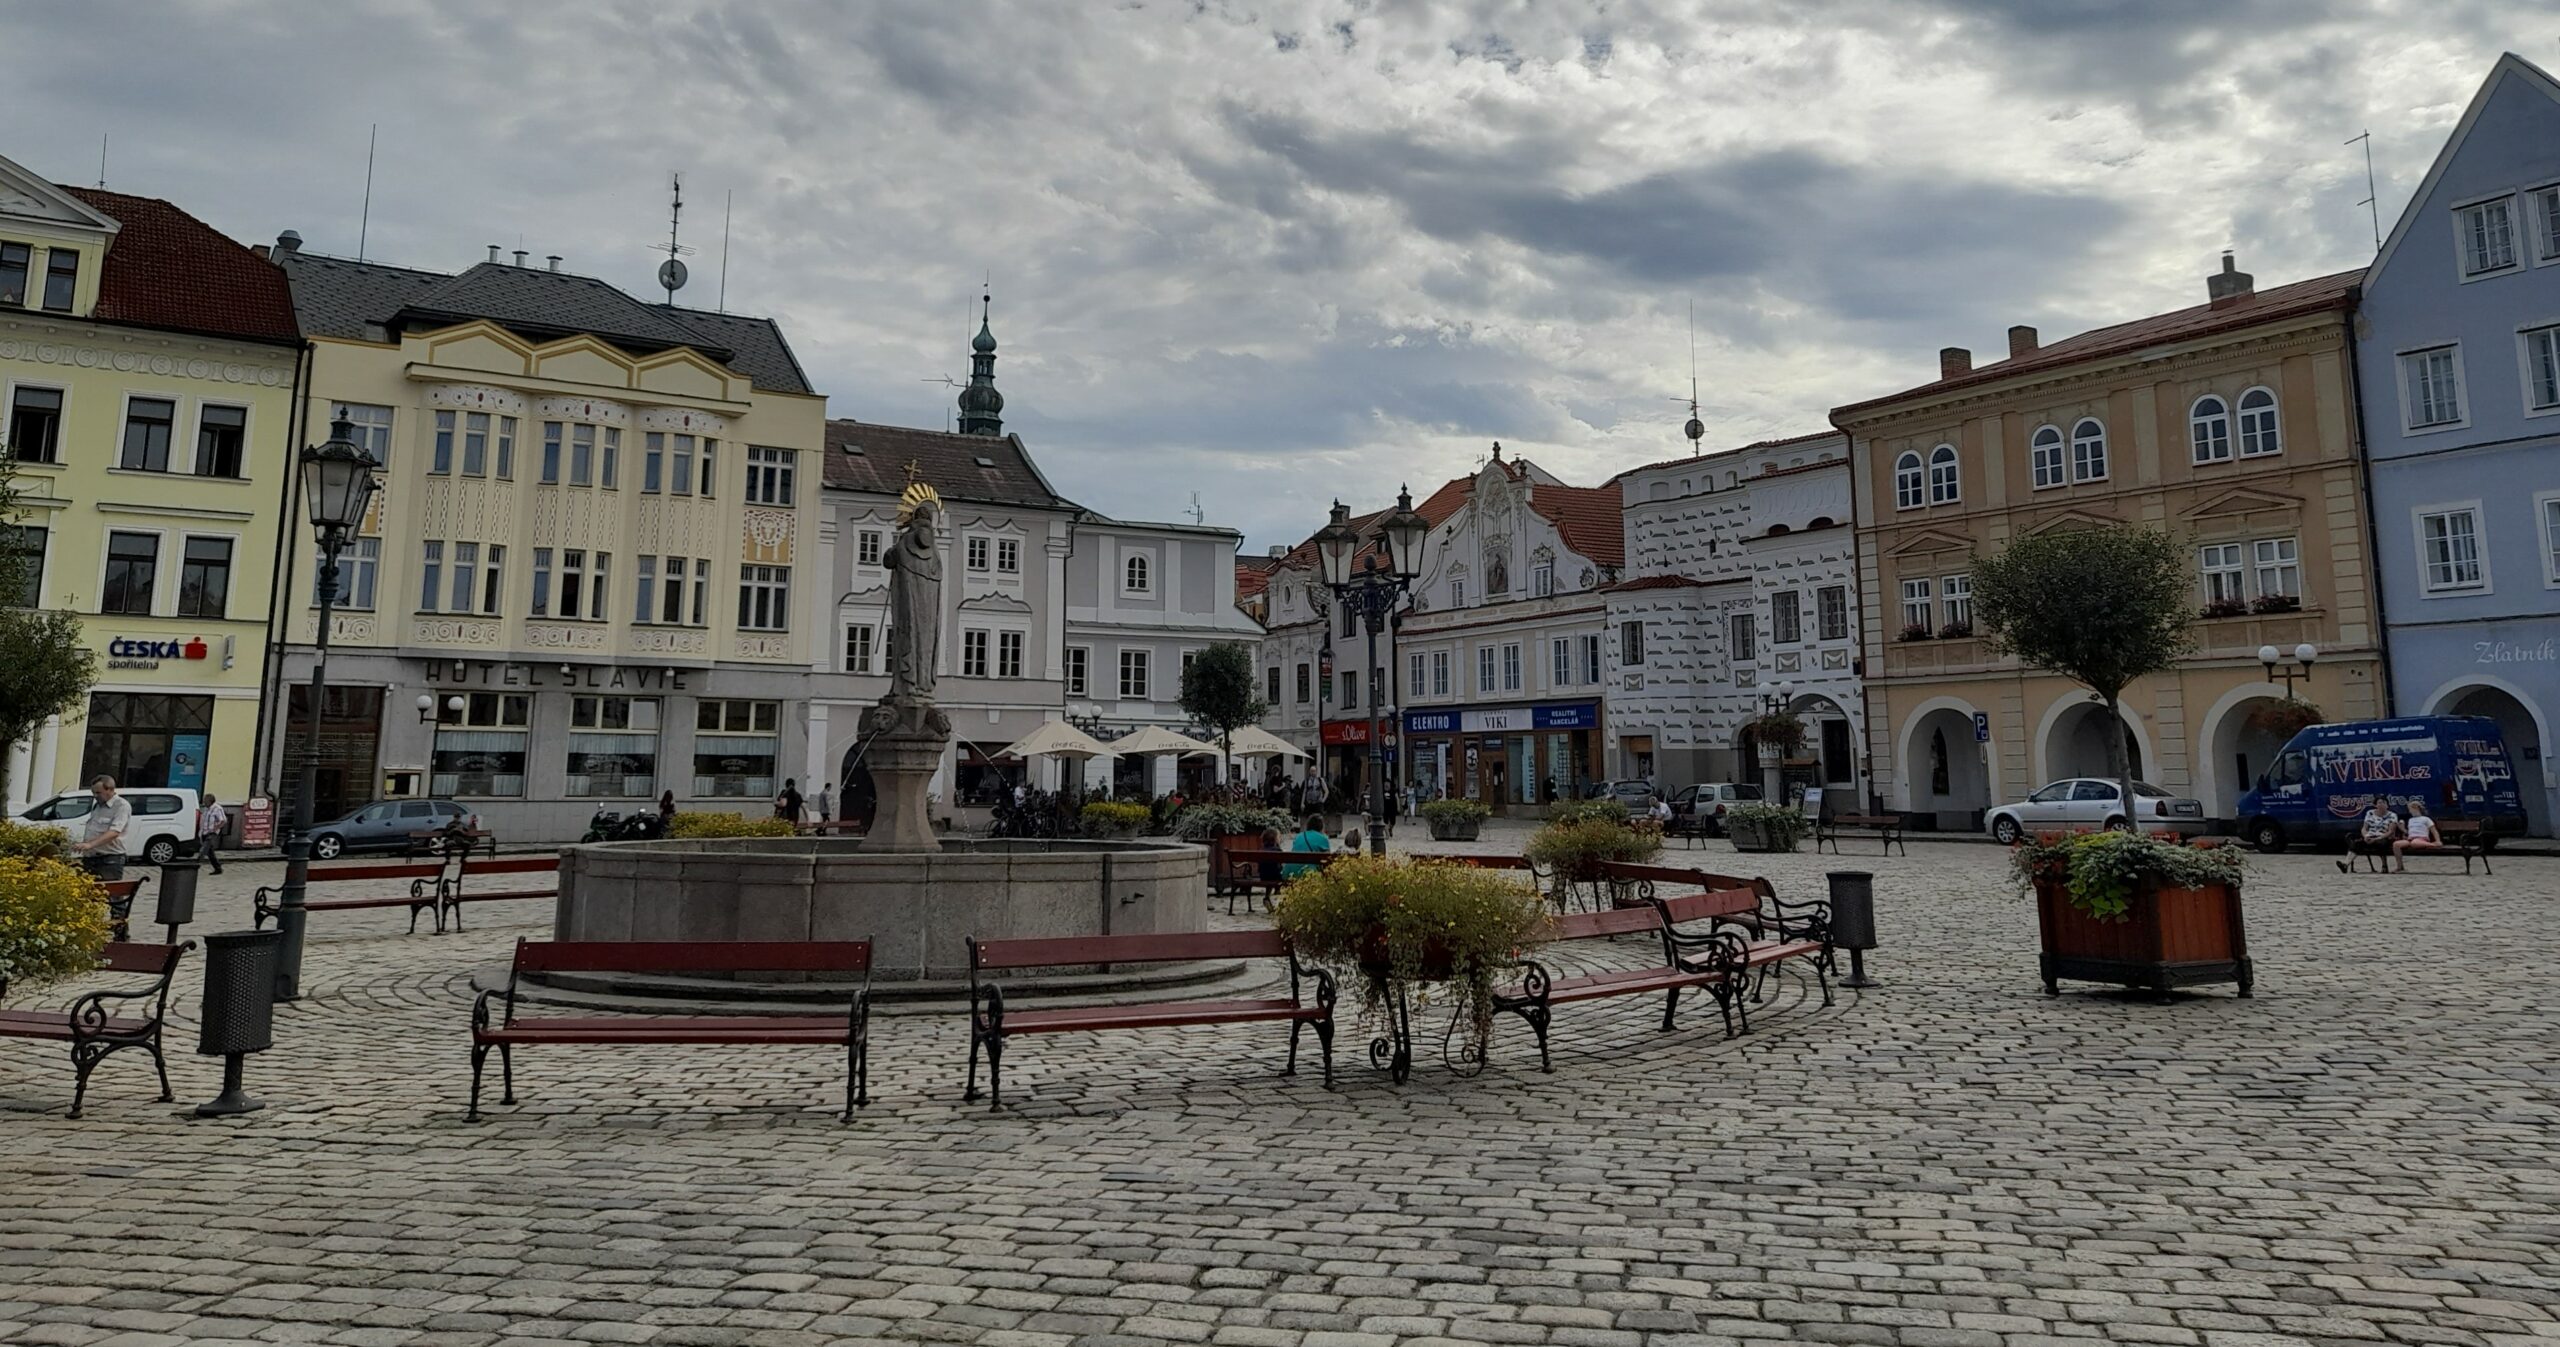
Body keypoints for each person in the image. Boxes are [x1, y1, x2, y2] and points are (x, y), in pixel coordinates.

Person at [70, 776, 132, 938]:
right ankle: (88, 931)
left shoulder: (121, 806)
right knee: (88, 895)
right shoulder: (98, 805)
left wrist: (91, 844)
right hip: (91, 857)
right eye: (93, 793)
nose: (95, 796)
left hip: (110, 858)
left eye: (98, 792)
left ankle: (120, 934)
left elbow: (114, 832)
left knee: (114, 896)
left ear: (110, 790)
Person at [2340, 798, 2401, 874]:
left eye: (2384, 803)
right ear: (2375, 805)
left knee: (2381, 843)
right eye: (2379, 803)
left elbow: (2390, 831)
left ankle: (2384, 866)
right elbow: (2364, 828)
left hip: (2383, 836)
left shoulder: (2392, 815)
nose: (2381, 804)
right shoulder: (2370, 813)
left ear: (2387, 805)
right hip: (2370, 835)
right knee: (2356, 844)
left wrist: (2377, 838)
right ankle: (2345, 864)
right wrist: (2365, 836)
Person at [2393, 798, 2445, 872]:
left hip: (2421, 838)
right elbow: (2410, 832)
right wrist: (2402, 829)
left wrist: (2438, 840)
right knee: (2396, 844)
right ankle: (2400, 866)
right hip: (2410, 839)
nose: (2409, 811)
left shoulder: (2426, 819)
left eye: (2410, 809)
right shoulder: (2411, 820)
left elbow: (2434, 831)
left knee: (2415, 843)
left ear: (2416, 808)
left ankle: (2433, 845)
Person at [1283, 812, 1333, 879]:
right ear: (1321, 826)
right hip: (1308, 873)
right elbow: (1328, 859)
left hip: (1290, 873)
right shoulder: (1323, 838)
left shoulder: (1299, 836)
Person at [196, 793, 229, 876]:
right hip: (204, 832)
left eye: (205, 800)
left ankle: (196, 865)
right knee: (210, 853)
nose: (204, 802)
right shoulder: (206, 809)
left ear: (210, 801)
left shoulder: (217, 808)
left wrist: (215, 829)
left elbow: (223, 820)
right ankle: (218, 868)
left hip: (211, 833)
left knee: (204, 849)